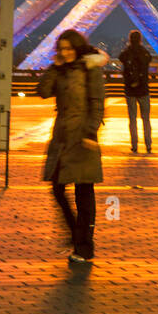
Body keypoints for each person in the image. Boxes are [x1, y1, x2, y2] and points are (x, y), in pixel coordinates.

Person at [37, 29, 106, 263]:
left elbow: (97, 104)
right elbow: (43, 92)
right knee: (57, 188)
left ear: (77, 48)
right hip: (62, 138)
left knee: (83, 193)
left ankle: (85, 247)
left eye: (68, 48)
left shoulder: (90, 71)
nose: (65, 53)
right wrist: (54, 67)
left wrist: (90, 133)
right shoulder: (62, 71)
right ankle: (76, 234)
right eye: (61, 49)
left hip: (82, 138)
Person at [118, 29, 152, 155]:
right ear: (140, 39)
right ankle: (148, 145)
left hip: (130, 91)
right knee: (146, 119)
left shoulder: (126, 53)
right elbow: (148, 62)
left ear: (129, 39)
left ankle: (134, 145)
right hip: (144, 90)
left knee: (132, 119)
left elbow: (121, 58)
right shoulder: (145, 53)